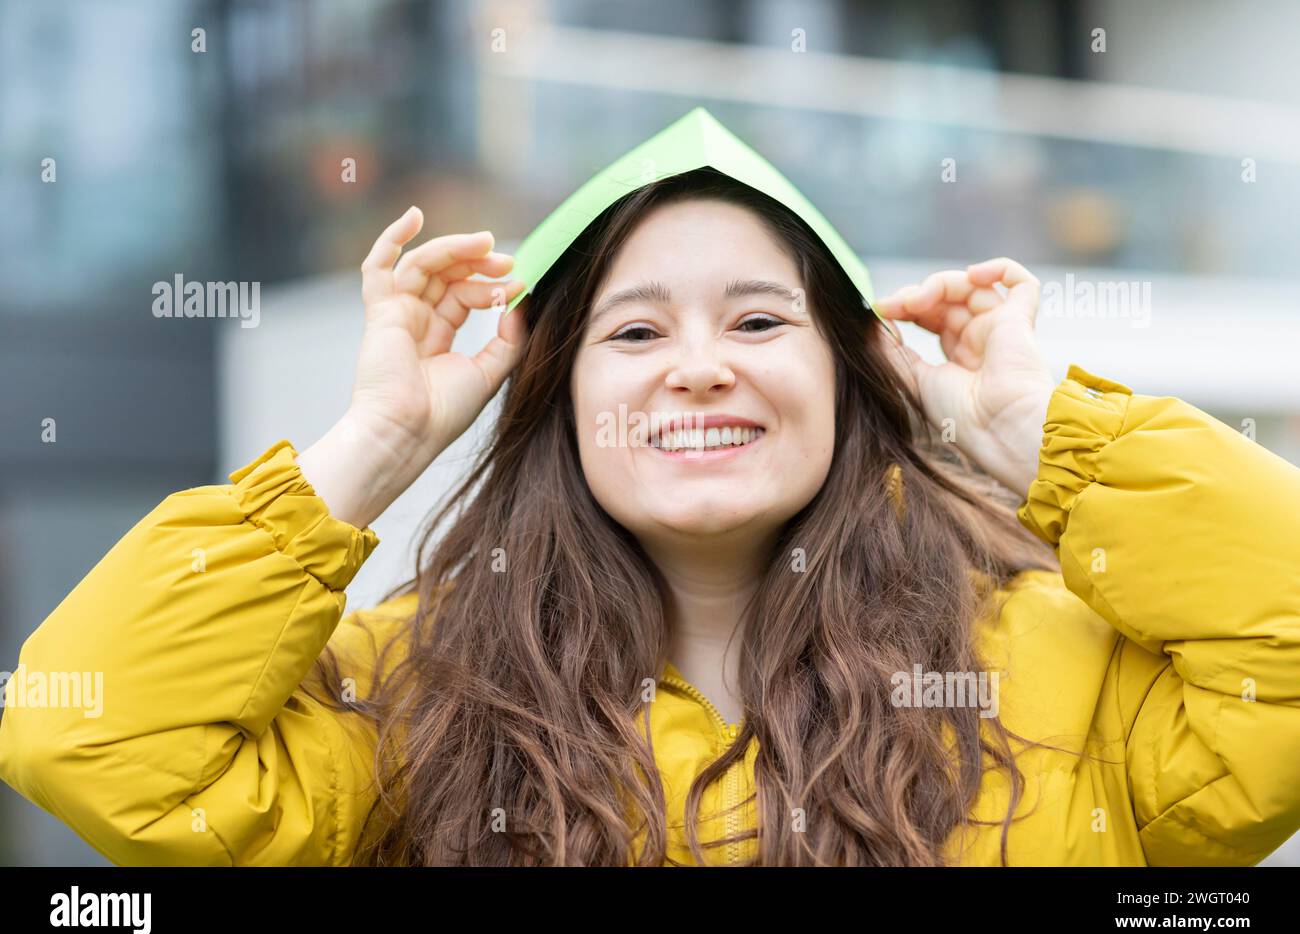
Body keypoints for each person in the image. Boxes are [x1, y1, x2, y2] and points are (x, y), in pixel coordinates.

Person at [2, 166, 1298, 867]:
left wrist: (1027, 431)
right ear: (557, 399)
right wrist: (380, 443)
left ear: (856, 380)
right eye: (633, 330)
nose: (698, 366)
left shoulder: (1068, 668)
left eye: (758, 319)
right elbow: (94, 739)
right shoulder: (409, 699)